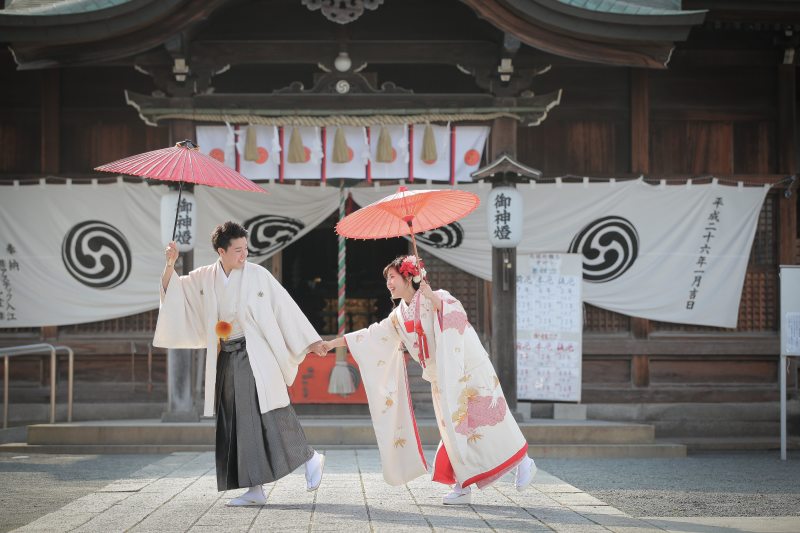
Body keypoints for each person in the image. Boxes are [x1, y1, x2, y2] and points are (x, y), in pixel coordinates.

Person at [323, 255, 536, 505]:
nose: (389, 283)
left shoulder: (438, 297)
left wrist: (433, 298)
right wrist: (332, 345)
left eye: (392, 277)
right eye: (388, 279)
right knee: (454, 430)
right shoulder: (398, 317)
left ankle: (523, 462)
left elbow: (457, 317)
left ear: (409, 277)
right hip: (442, 378)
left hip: (466, 370)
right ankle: (463, 485)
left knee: (488, 420)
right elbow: (371, 335)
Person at [154, 221, 327, 507]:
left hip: (254, 353)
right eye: (237, 250)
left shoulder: (258, 275)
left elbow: (284, 307)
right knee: (235, 419)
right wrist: (170, 264)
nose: (243, 255)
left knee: (270, 411)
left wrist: (310, 341)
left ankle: (309, 457)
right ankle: (254, 487)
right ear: (221, 251)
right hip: (227, 355)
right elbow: (175, 293)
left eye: (245, 248)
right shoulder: (205, 277)